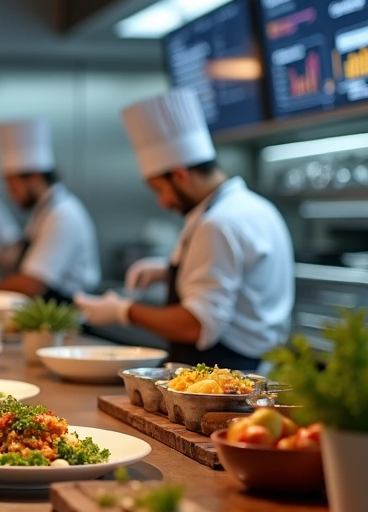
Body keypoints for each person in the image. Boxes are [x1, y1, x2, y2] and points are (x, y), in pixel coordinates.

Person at [72, 88, 294, 370]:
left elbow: (196, 325)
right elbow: (241, 282)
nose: (163, 203)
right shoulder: (254, 207)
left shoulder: (218, 223)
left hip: (222, 377)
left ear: (180, 175)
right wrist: (169, 271)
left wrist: (122, 311)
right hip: (251, 364)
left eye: (159, 190)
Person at [0, 119, 100, 302]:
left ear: (34, 177)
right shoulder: (43, 211)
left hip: (66, 317)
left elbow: (33, 283)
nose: (11, 194)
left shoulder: (62, 214)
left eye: (13, 185)